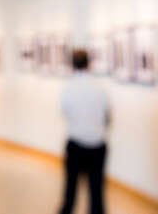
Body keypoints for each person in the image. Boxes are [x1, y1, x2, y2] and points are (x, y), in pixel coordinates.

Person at [59, 49, 111, 214]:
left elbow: (66, 113)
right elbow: (107, 117)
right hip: (97, 146)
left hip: (75, 145)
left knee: (70, 193)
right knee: (96, 193)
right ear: (89, 64)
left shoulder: (68, 89)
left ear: (72, 65)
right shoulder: (100, 89)